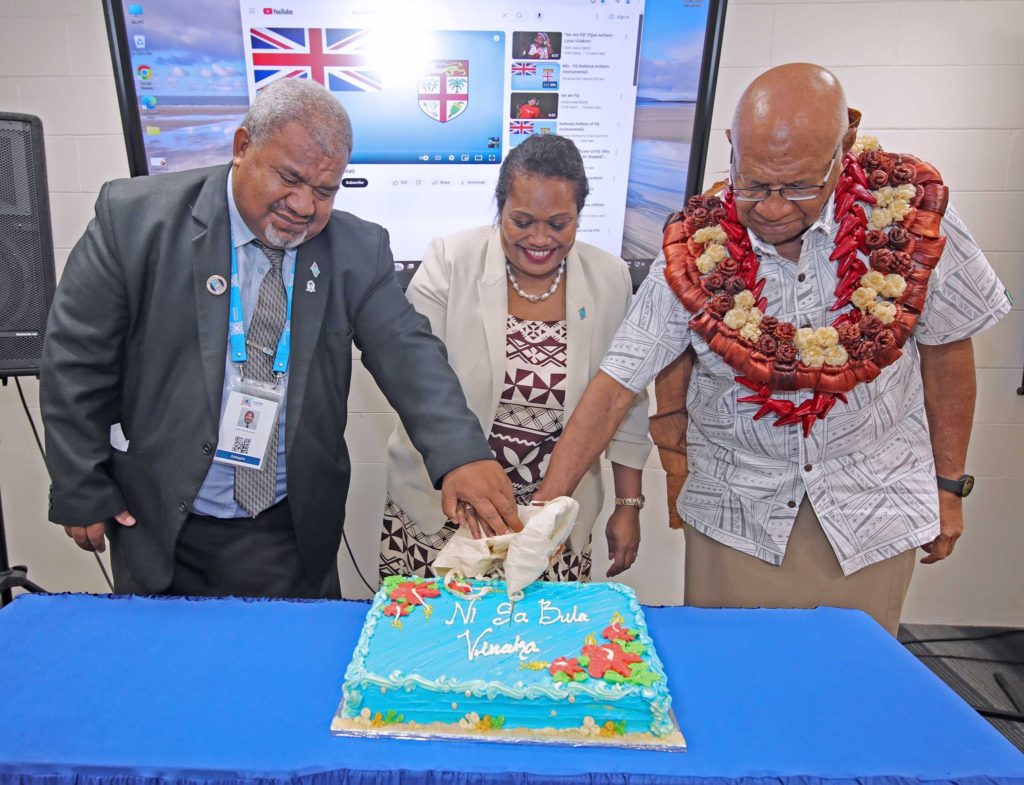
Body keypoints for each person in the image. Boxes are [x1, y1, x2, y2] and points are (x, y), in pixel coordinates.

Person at [535, 63, 1011, 635]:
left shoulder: (913, 219)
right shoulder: (693, 248)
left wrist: (949, 487)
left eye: (801, 187)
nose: (774, 208)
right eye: (755, 185)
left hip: (873, 509)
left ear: (846, 147)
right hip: (739, 517)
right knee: (733, 689)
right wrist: (540, 515)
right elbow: (615, 389)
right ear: (732, 150)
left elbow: (947, 354)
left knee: (851, 689)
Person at [40, 78, 521, 599]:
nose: (303, 205)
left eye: (324, 190)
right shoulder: (135, 219)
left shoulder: (357, 249)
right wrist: (80, 483)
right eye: (289, 178)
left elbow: (408, 350)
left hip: (285, 528)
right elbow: (75, 358)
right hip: (159, 518)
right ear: (243, 148)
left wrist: (461, 454)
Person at [381, 134, 651, 582]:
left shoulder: (611, 278)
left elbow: (626, 399)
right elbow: (416, 380)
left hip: (555, 521)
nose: (539, 239)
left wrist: (628, 505)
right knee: (433, 644)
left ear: (580, 216)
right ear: (499, 206)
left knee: (540, 648)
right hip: (445, 513)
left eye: (559, 224)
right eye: (521, 221)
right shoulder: (451, 261)